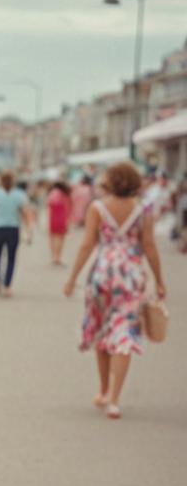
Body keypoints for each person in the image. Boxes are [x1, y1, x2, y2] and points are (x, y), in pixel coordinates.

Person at [63, 160, 166, 419]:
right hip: (131, 275)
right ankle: (114, 400)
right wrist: (160, 279)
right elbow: (150, 247)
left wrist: (72, 277)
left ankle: (102, 388)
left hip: (103, 273)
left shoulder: (98, 208)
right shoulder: (143, 210)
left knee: (101, 329)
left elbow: (87, 244)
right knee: (124, 333)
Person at [0, 169, 33, 297]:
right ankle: (7, 285)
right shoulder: (19, 194)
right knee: (11, 257)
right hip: (13, 229)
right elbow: (26, 213)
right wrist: (29, 229)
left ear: (1, 181)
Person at [46, 180, 72, 266]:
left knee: (52, 238)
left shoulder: (53, 193)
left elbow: (49, 204)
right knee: (61, 238)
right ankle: (58, 257)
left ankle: (53, 257)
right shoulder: (65, 195)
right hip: (63, 218)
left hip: (53, 218)